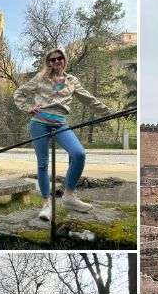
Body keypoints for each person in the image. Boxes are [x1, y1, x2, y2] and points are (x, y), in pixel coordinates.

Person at [13, 47, 110, 221]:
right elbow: (19, 93)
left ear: (64, 60)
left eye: (60, 58)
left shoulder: (72, 81)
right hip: (39, 124)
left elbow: (88, 98)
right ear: (48, 62)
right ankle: (46, 204)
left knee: (78, 153)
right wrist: (29, 108)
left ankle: (69, 196)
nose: (56, 61)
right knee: (43, 164)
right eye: (52, 59)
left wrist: (107, 112)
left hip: (60, 124)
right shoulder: (40, 78)